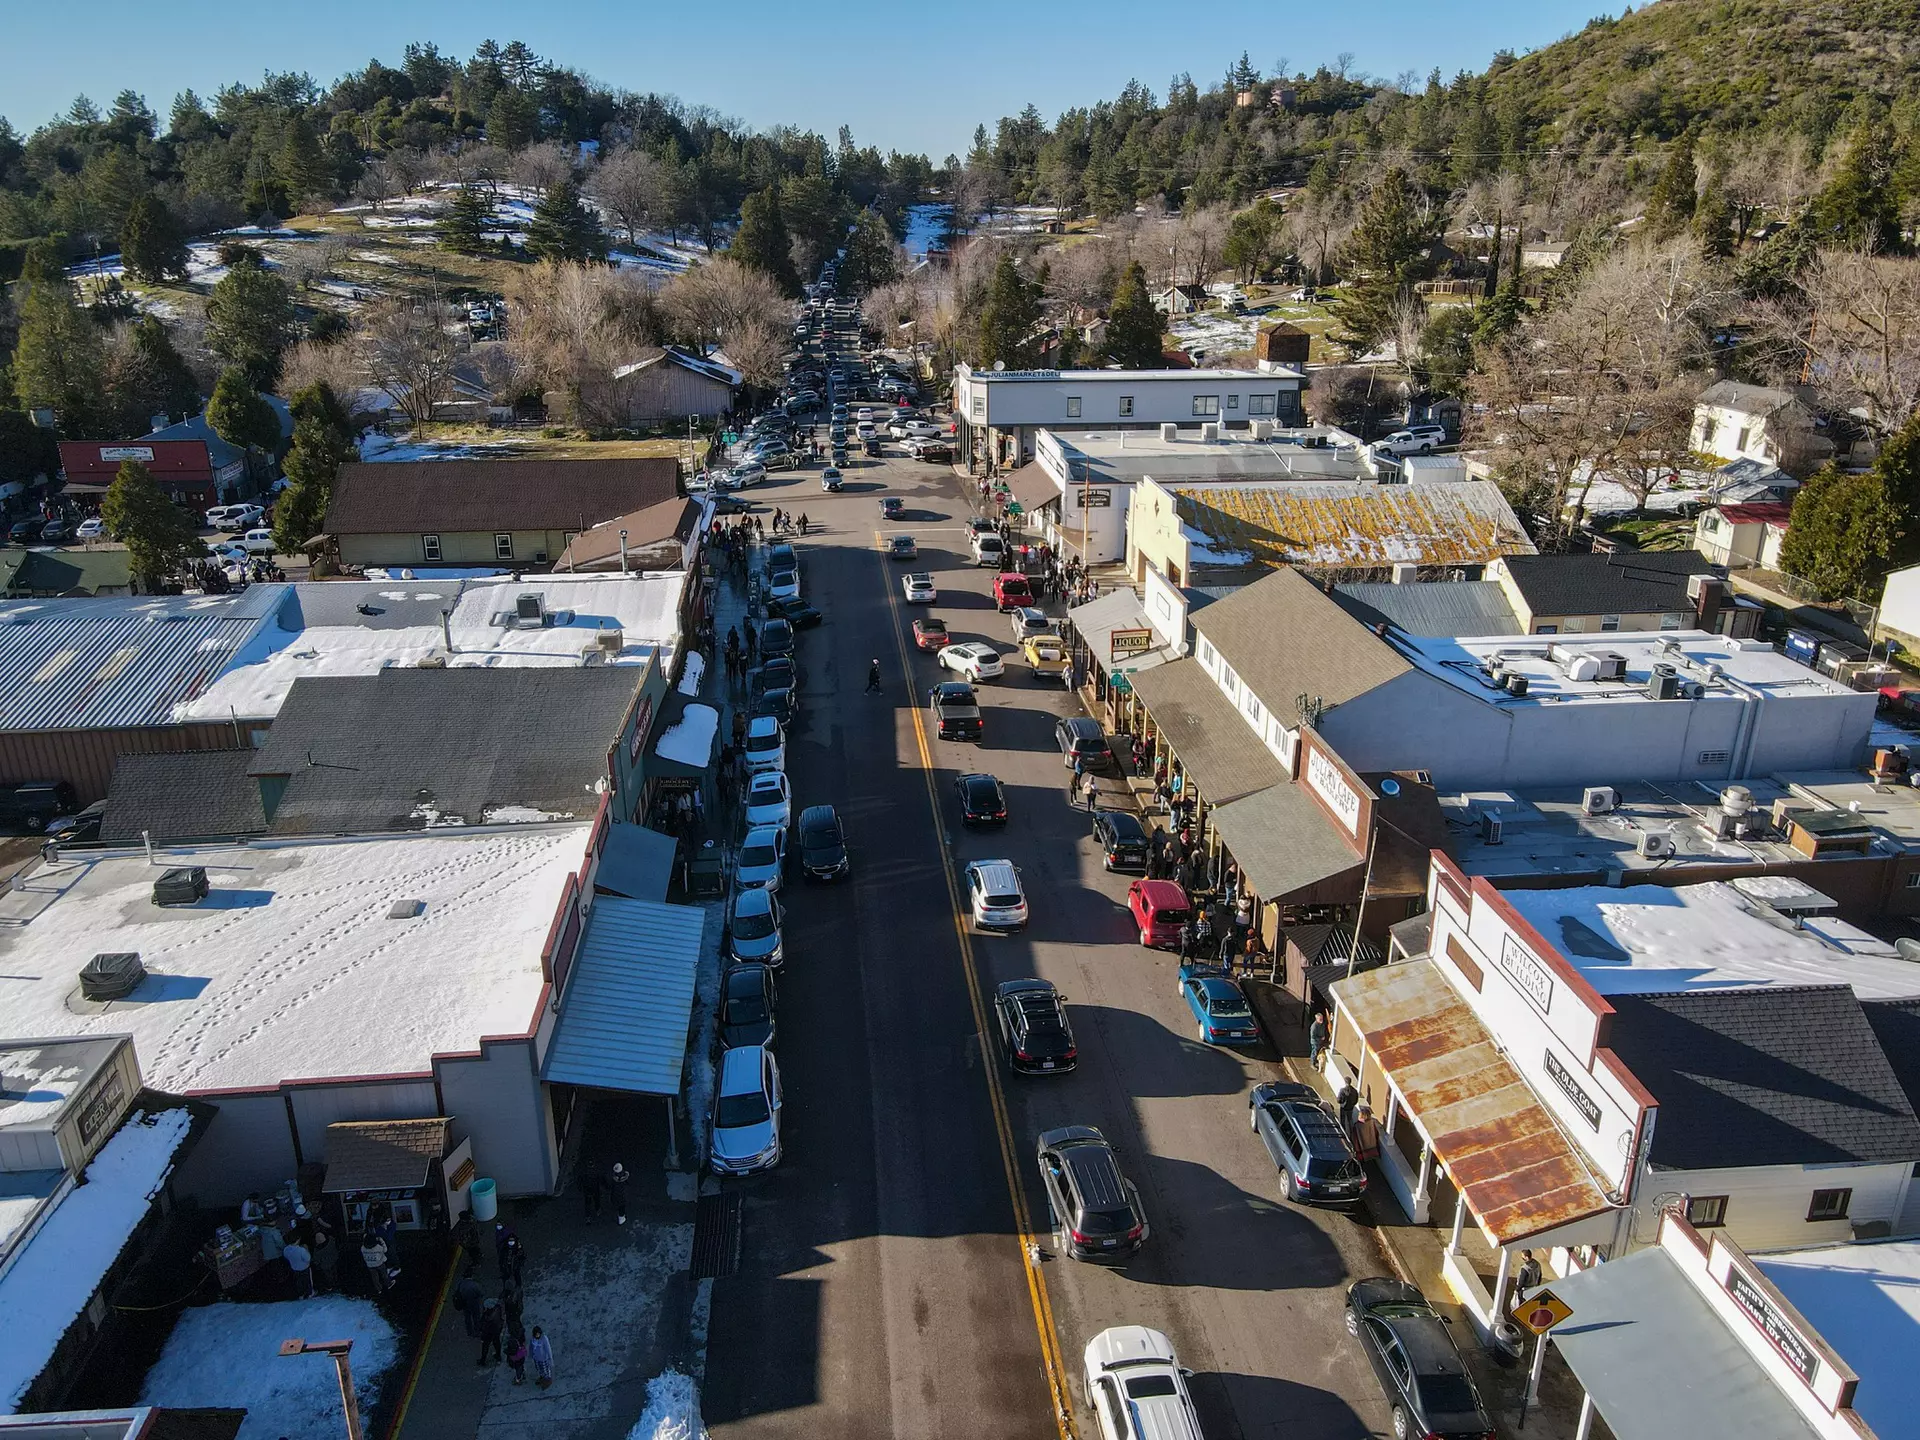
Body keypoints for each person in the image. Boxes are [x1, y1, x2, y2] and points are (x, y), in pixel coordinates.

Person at [478, 1297, 505, 1367]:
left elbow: (484, 1327)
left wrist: (482, 1334)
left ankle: (483, 1360)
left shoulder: (488, 1318)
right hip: (497, 1330)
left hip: (489, 1333)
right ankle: (498, 1355)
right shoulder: (498, 1309)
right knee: (497, 1343)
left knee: (485, 1346)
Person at [609, 1162, 630, 1226]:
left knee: (617, 1204)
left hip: (615, 1195)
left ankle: (619, 1214)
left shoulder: (613, 1179)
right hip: (623, 1196)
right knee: (622, 1207)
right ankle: (621, 1219)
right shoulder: (625, 1177)